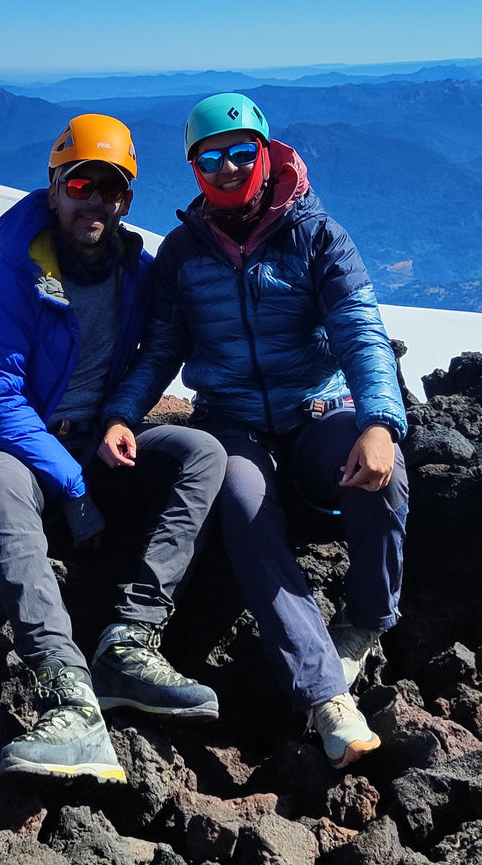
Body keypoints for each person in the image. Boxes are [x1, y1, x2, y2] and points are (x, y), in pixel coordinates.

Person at [100, 93, 409, 770]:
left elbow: (361, 330)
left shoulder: (316, 234)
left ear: (267, 153)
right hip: (232, 420)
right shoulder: (183, 252)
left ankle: (365, 619)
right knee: (242, 506)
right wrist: (123, 414)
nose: (231, 166)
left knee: (382, 476)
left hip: (319, 408)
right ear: (194, 167)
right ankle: (326, 697)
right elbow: (161, 348)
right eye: (212, 156)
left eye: (244, 152)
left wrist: (380, 421)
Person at [0, 113, 227, 783]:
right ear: (55, 187)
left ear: (127, 200)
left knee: (203, 454)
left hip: (94, 441)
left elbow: (159, 352)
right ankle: (66, 696)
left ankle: (127, 646)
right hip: (11, 445)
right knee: (1, 482)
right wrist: (73, 486)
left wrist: (123, 417)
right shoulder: (7, 281)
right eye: (83, 183)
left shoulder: (137, 274)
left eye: (113, 188)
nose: (97, 200)